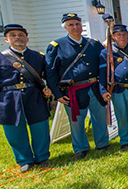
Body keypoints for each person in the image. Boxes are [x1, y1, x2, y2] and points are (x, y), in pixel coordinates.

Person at [0, 24, 52, 172]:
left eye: (20, 35)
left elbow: (48, 76)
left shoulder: (38, 57)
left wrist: (49, 89)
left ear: (27, 38)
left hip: (34, 96)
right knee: (15, 132)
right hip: (9, 98)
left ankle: (42, 157)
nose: (17, 37)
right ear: (6, 39)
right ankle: (25, 160)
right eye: (13, 35)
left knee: (40, 128)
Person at [45, 13, 109, 160]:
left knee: (99, 117)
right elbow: (51, 72)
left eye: (77, 24)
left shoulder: (93, 43)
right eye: (71, 25)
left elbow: (104, 63)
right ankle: (81, 148)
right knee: (76, 121)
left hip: (94, 87)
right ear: (65, 28)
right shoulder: (56, 46)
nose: (75, 27)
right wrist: (58, 94)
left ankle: (102, 143)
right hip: (74, 91)